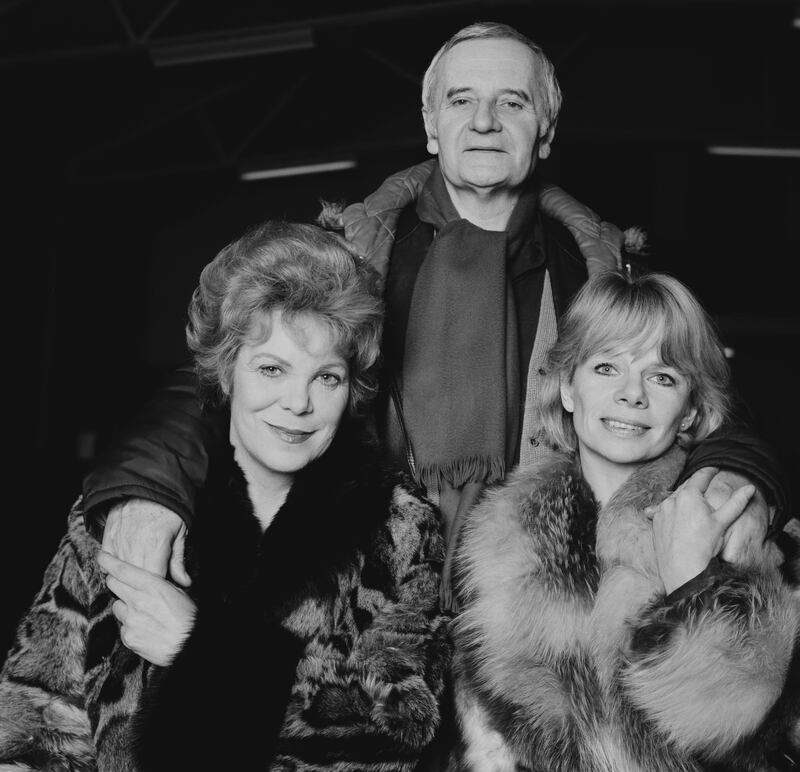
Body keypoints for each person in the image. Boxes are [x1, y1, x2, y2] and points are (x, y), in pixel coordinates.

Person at [79, 22, 787, 614]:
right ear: (430, 123)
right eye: (461, 100)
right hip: (360, 598)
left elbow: (716, 408)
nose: (483, 121)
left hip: (542, 603)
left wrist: (730, 482)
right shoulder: (346, 261)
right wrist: (147, 487)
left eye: (512, 102)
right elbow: (216, 379)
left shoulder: (600, 275)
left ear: (545, 131)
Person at [0, 221, 451, 772]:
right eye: (272, 369)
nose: (298, 403)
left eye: (327, 378)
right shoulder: (130, 515)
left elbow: (394, 735)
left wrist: (204, 650)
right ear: (226, 369)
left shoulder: (402, 529)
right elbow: (34, 734)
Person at [442, 269, 800, 772]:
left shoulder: (750, 530)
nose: (631, 394)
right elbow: (493, 764)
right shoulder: (498, 547)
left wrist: (693, 584)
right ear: (567, 387)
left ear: (691, 413)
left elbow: (765, 747)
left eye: (662, 377)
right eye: (606, 366)